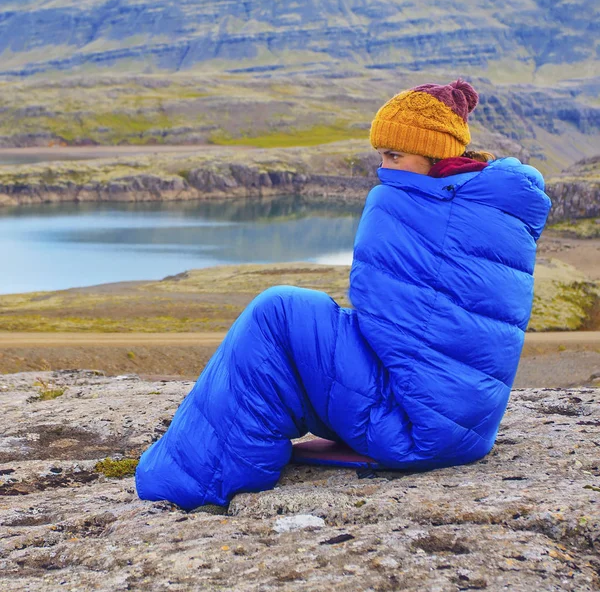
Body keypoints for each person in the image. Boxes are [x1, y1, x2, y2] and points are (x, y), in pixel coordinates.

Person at [136, 80, 552, 511]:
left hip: (419, 426)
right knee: (302, 320)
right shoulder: (488, 204)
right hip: (460, 424)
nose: (384, 169)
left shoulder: (409, 203)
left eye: (395, 156)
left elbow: (377, 307)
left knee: (278, 314)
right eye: (382, 157)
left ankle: (196, 484)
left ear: (434, 154)